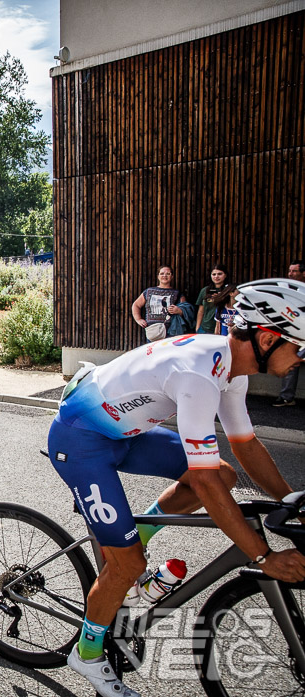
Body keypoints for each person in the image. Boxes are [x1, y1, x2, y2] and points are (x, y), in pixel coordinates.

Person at [50, 278, 305, 697]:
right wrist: (263, 556)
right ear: (265, 337)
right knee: (127, 565)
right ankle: (88, 653)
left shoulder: (231, 369)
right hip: (81, 440)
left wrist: (290, 501)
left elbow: (245, 446)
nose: (301, 358)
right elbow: (201, 483)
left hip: (125, 433)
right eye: (299, 346)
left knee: (223, 474)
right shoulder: (200, 376)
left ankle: (139, 539)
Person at [275, 260, 304, 406]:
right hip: (295, 334)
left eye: (294, 271)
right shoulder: (286, 290)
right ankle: (287, 397)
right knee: (291, 361)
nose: (290, 274)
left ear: (303, 273)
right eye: (289, 271)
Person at [131, 265, 187, 342]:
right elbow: (136, 305)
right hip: (153, 330)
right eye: (162, 273)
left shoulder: (178, 293)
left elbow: (186, 310)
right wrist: (138, 319)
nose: (165, 276)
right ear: (158, 276)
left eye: (168, 274)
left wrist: (179, 311)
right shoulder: (148, 291)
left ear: (172, 276)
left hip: (171, 331)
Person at [194, 264, 233, 335]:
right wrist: (197, 327)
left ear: (225, 275)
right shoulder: (205, 290)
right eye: (214, 274)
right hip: (205, 328)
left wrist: (221, 298)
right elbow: (201, 311)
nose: (216, 276)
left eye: (219, 274)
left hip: (223, 328)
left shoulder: (230, 291)